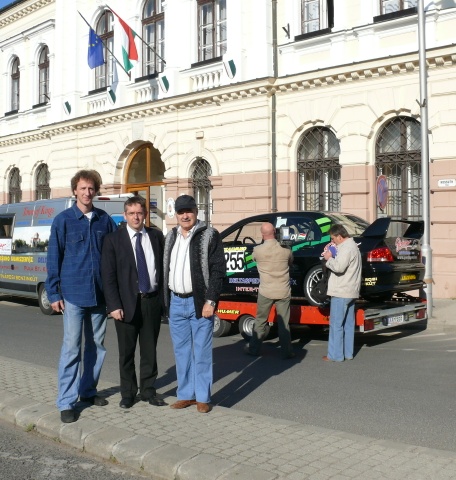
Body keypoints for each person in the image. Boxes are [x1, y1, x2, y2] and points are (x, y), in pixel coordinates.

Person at [45, 170, 116, 424]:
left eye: (91, 188)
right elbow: (54, 258)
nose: (87, 193)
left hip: (99, 295)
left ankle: (87, 391)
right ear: (75, 190)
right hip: (73, 295)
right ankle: (66, 401)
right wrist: (54, 292)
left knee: (96, 347)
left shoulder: (104, 220)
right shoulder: (63, 221)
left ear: (96, 191)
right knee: (71, 348)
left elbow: (114, 255)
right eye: (83, 188)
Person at [101, 196, 165, 409]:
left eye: (139, 213)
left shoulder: (155, 236)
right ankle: (128, 393)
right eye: (131, 213)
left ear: (145, 214)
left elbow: (162, 269)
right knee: (126, 352)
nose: (136, 217)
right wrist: (113, 305)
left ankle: (148, 390)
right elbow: (108, 276)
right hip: (125, 304)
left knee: (149, 351)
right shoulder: (113, 240)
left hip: (151, 301)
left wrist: (163, 301)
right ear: (125, 215)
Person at [163, 195, 225, 413]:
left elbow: (218, 270)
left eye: (188, 211)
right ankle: (185, 395)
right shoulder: (171, 236)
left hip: (199, 302)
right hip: (176, 302)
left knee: (202, 352)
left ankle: (202, 397)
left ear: (196, 212)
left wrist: (211, 300)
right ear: (176, 215)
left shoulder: (209, 234)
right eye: (181, 212)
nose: (185, 215)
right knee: (181, 353)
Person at [244, 222, 295, 359]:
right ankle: (287, 352)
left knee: (260, 321)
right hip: (283, 290)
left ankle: (254, 349)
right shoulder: (286, 249)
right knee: (284, 323)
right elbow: (291, 261)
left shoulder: (258, 250)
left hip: (265, 291)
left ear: (262, 234)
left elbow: (253, 259)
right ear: (275, 232)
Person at [322, 224, 362, 362]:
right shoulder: (354, 246)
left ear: (339, 236)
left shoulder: (346, 248)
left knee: (336, 325)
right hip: (351, 290)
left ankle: (335, 355)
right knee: (348, 325)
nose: (332, 241)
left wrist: (329, 258)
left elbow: (339, 267)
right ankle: (348, 354)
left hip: (341, 291)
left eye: (333, 238)